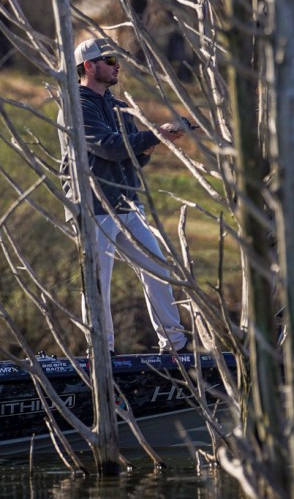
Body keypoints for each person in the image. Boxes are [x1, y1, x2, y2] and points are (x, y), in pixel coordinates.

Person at [59, 37, 189, 355]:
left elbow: (133, 157)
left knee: (158, 270)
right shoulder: (76, 106)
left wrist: (153, 143)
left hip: (127, 204)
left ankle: (176, 347)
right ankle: (101, 353)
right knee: (98, 284)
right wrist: (154, 134)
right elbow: (109, 147)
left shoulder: (118, 106)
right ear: (89, 66)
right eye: (110, 61)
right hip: (93, 207)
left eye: (117, 60)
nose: (118, 66)